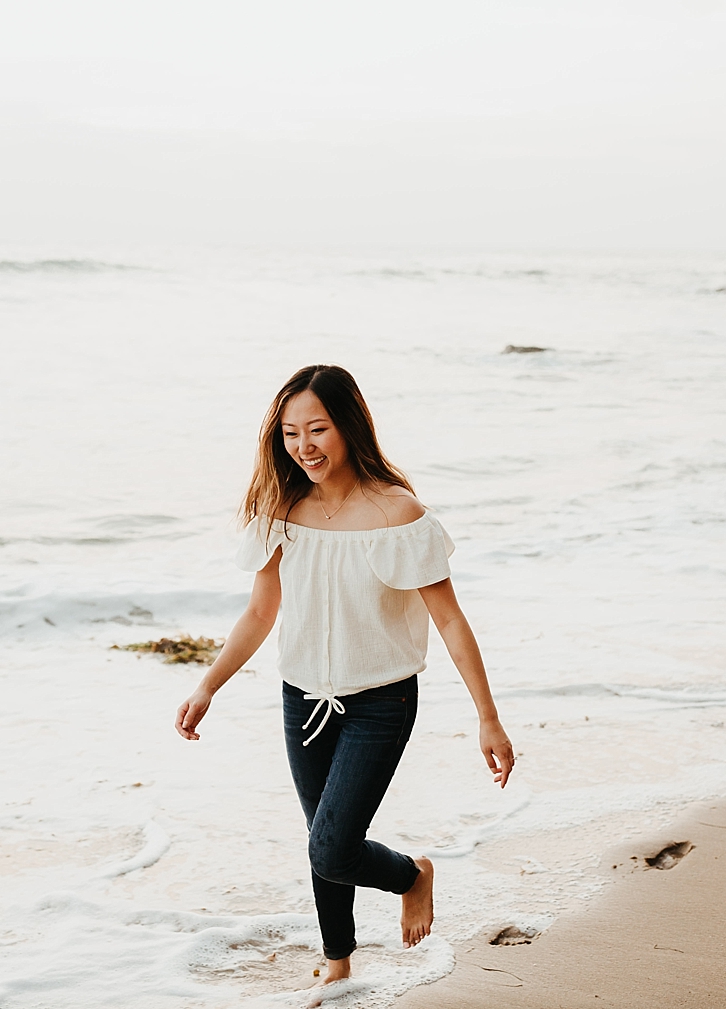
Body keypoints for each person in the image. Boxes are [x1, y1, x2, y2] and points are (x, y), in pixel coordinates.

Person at [174, 364, 516, 997]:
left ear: (349, 427)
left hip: (382, 702)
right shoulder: (282, 510)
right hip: (301, 697)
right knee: (321, 841)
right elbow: (259, 613)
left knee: (332, 848)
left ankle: (412, 876)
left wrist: (488, 717)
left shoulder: (397, 513)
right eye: (290, 433)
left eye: (318, 429)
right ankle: (339, 958)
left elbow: (448, 619)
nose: (304, 446)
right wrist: (207, 686)